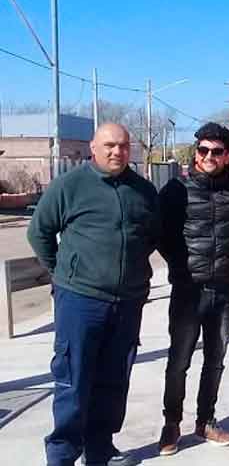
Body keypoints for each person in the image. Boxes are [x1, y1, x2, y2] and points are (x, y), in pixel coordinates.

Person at [28, 123, 161, 466]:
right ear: (93, 147)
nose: (117, 152)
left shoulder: (143, 191)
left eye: (123, 146)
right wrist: (63, 271)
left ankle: (100, 449)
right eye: (110, 145)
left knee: (114, 380)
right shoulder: (69, 186)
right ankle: (62, 454)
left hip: (127, 302)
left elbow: (150, 237)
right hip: (80, 300)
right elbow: (39, 232)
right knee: (73, 379)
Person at [156, 122, 229, 456]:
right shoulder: (175, 191)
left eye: (216, 151)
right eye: (203, 150)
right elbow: (162, 235)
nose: (209, 156)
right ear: (195, 152)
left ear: (228, 155)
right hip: (188, 290)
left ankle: (206, 420)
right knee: (179, 360)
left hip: (225, 289)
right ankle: (171, 423)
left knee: (215, 359)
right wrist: (180, 268)